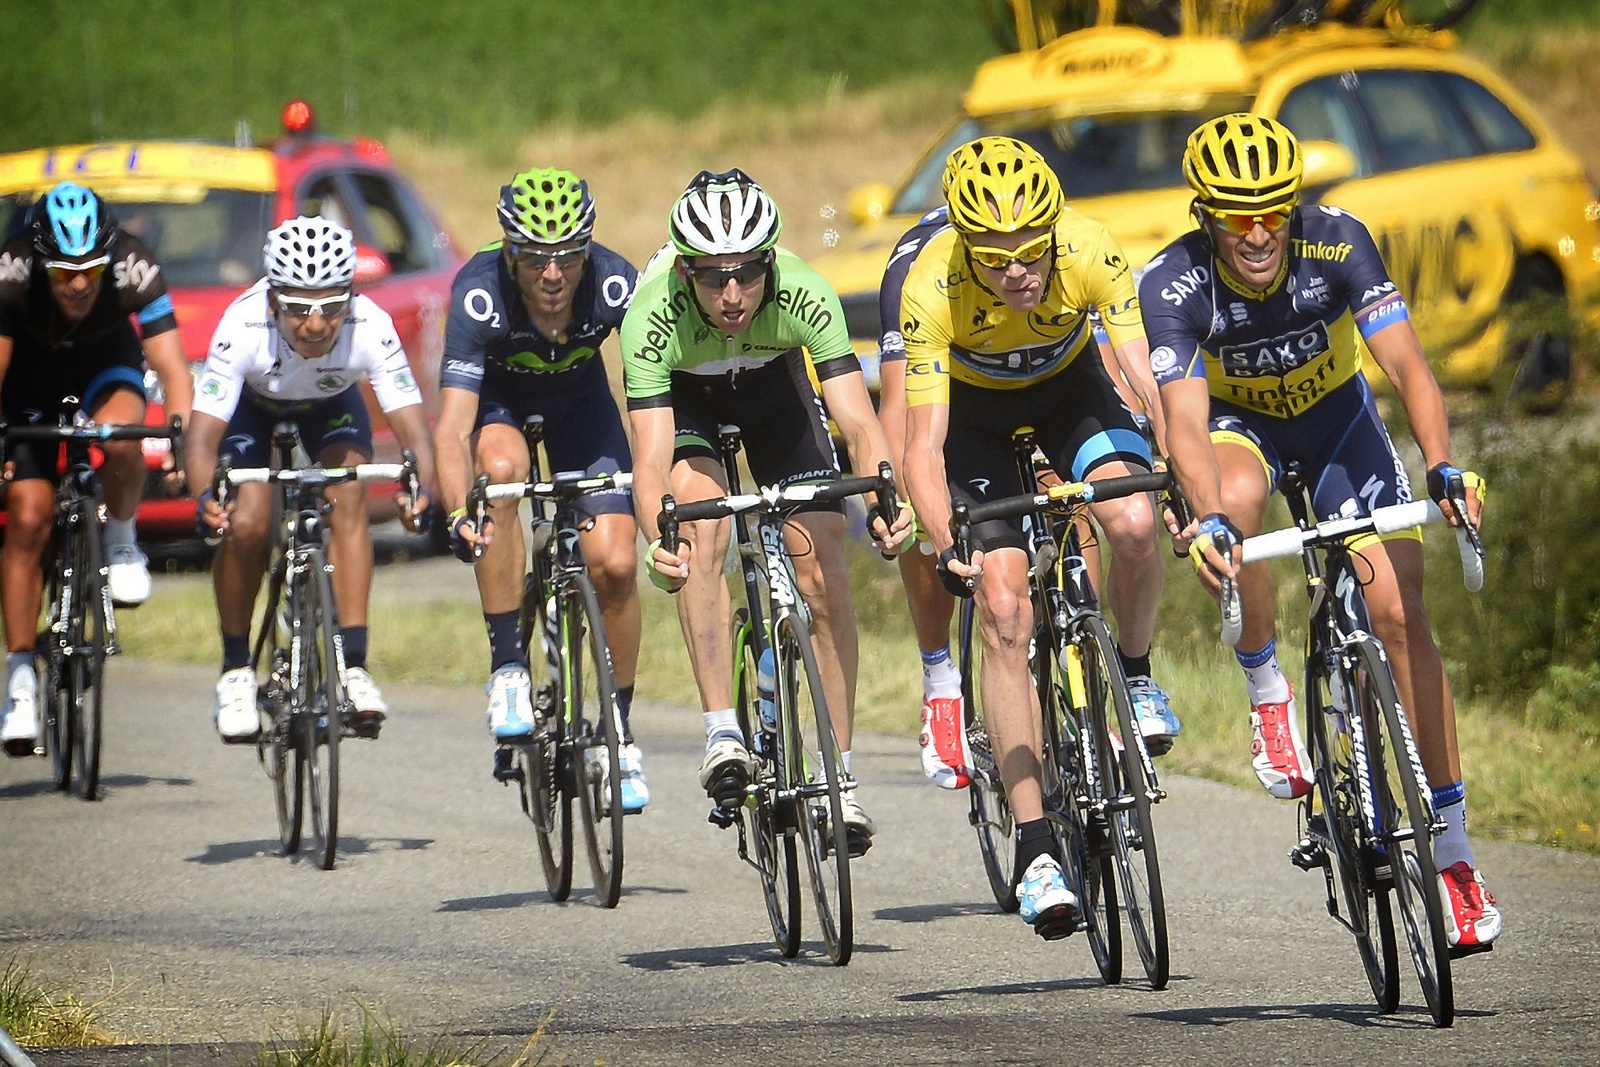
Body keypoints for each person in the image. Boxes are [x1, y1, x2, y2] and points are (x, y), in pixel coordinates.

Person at [1143, 112, 1501, 950]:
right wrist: (1206, 517)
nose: (1258, 232)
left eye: (1275, 210)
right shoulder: (1173, 284)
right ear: (1205, 215)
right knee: (1235, 503)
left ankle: (1453, 852)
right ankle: (1269, 691)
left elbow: (1407, 363)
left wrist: (1443, 464)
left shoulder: (1339, 241)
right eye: (1238, 216)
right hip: (1240, 431)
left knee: (1401, 616)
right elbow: (1185, 424)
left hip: (1339, 424)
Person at [900, 136, 1174, 938]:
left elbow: (1143, 378)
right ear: (965, 246)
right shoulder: (932, 284)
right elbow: (922, 447)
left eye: (1032, 250)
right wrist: (942, 536)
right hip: (974, 424)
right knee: (1004, 606)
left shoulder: (1090, 246)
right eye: (996, 258)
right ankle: (1035, 845)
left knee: (1133, 520)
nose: (1019, 270)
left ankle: (1136, 674)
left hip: (1069, 393)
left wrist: (1179, 472)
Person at [621, 169, 911, 854]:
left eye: (749, 274)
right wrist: (657, 536)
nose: (732, 295)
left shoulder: (806, 291)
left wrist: (883, 499)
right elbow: (651, 459)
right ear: (685, 271)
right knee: (699, 525)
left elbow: (858, 422)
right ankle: (723, 729)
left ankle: (840, 777)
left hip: (775, 393)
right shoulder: (650, 315)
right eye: (713, 277)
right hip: (688, 402)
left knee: (824, 563)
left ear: (770, 263)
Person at [434, 167, 649, 812]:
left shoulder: (616, 283)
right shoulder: (479, 293)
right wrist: (458, 510)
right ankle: (508, 668)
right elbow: (453, 428)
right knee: (501, 471)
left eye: (568, 257)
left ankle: (619, 732)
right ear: (510, 253)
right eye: (534, 259)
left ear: (588, 250)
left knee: (616, 563)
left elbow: (655, 395)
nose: (552, 275)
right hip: (502, 405)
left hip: (583, 409)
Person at [186, 216, 435, 742]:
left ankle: (354, 667)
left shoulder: (370, 324)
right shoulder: (241, 325)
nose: (317, 324)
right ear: (272, 302)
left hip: (330, 407)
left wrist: (421, 489)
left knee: (348, 493)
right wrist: (207, 494)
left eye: (332, 306)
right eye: (299, 308)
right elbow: (202, 438)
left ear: (351, 298)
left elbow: (415, 429)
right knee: (248, 522)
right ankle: (235, 670)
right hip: (252, 410)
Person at [1, 181, 193, 755]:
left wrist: (182, 439)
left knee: (125, 439)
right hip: (28, 375)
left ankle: (122, 540)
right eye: (64, 273)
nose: (81, 284)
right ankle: (19, 677)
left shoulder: (134, 264)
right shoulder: (11, 272)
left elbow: (173, 369)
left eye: (91, 269)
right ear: (41, 262)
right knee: (28, 518)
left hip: (105, 363)